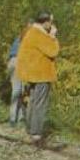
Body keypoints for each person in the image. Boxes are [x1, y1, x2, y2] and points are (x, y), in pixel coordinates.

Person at [16, 11, 59, 144]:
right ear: (45, 22)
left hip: (34, 73)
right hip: (41, 74)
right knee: (40, 104)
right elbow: (53, 51)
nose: (52, 25)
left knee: (33, 101)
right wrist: (52, 36)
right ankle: (36, 133)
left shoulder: (32, 31)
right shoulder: (39, 34)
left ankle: (31, 129)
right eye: (51, 22)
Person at [6, 21, 30, 126]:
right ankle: (16, 118)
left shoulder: (19, 37)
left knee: (18, 90)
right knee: (21, 90)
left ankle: (16, 117)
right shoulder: (29, 38)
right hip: (20, 62)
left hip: (12, 62)